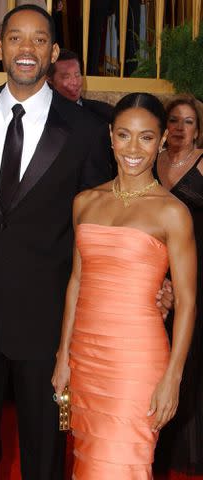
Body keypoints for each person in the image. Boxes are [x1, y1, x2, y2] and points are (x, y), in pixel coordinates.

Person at [0, 5, 171, 479]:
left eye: (38, 40)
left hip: (50, 321)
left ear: (52, 51)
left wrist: (155, 282)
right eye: (15, 38)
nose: (25, 49)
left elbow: (115, 215)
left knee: (44, 457)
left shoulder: (88, 128)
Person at [52, 92, 197, 479]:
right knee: (88, 462)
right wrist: (63, 356)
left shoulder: (172, 212)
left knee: (119, 465)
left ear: (163, 139)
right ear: (110, 136)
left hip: (136, 361)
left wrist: (173, 378)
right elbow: (77, 281)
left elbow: (187, 302)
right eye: (124, 135)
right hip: (85, 358)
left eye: (146, 137)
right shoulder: (85, 201)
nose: (133, 148)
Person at [154, 95, 203, 475]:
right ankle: (160, 445)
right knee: (160, 354)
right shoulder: (151, 162)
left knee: (192, 359)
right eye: (174, 120)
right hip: (156, 272)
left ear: (198, 129)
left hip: (195, 273)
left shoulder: (202, 163)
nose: (180, 128)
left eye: (188, 122)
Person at [47, 48, 113, 123]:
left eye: (77, 75)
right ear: (50, 81)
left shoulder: (103, 112)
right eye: (66, 77)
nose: (75, 82)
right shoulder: (42, 116)